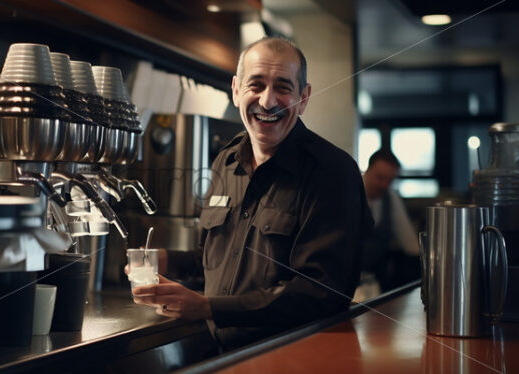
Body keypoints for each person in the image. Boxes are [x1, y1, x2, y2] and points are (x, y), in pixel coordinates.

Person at [130, 36, 373, 350]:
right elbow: (215, 259)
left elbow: (320, 292)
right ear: (236, 90)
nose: (268, 101)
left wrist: (207, 307)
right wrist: (165, 261)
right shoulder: (225, 162)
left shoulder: (332, 171)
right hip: (225, 355)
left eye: (283, 87)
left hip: (296, 359)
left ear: (304, 97)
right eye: (256, 85)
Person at [360, 149, 420, 293]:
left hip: (376, 283)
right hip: (344, 283)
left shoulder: (390, 197)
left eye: (390, 180)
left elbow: (409, 242)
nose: (384, 185)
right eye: (380, 177)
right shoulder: (348, 193)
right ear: (367, 171)